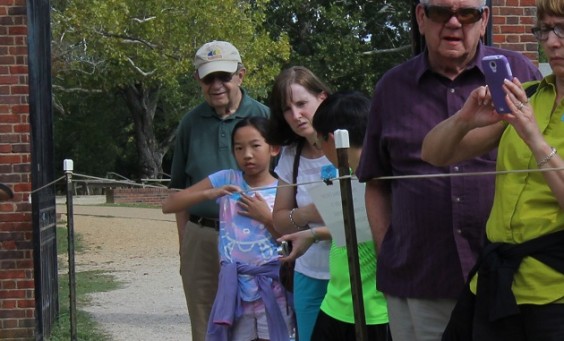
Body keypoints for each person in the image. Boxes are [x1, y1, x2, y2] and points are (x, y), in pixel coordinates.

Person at [355, 0, 542, 340]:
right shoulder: (391, 88)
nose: (454, 23)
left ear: (484, 19)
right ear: (421, 17)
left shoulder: (520, 75)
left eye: (467, 14)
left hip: (509, 278)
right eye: (441, 12)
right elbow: (377, 182)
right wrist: (388, 253)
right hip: (420, 279)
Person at [421, 1, 564, 339]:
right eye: (546, 30)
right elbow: (434, 154)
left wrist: (533, 136)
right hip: (498, 283)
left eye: (563, 28)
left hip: (554, 293)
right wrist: (464, 119)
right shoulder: (526, 97)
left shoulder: (523, 112)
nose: (553, 42)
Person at [168, 40, 270, 341]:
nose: (216, 85)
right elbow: (178, 187)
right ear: (198, 80)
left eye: (223, 76)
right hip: (203, 236)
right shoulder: (190, 123)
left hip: (255, 238)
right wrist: (185, 241)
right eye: (208, 77)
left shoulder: (264, 117)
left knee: (258, 320)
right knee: (205, 323)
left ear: (241, 74)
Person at [163, 117, 293, 341]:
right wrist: (209, 193)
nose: (247, 154)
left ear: (274, 148)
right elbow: (170, 204)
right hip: (235, 290)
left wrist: (265, 218)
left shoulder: (285, 187)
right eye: (239, 148)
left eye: (255, 145)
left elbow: (289, 240)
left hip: (273, 288)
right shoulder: (226, 179)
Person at [278, 91, 391, 340]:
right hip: (335, 305)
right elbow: (359, 228)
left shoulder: (381, 181)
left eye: (318, 143)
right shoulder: (347, 175)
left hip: (376, 313)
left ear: (331, 140)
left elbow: (377, 230)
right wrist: (314, 233)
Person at [266, 66, 332, 341]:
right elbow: (277, 221)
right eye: (287, 109)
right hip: (308, 273)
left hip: (356, 272)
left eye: (302, 103)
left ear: (323, 98)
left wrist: (306, 223)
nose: (295, 115)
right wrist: (311, 212)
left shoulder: (348, 145)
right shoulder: (290, 156)